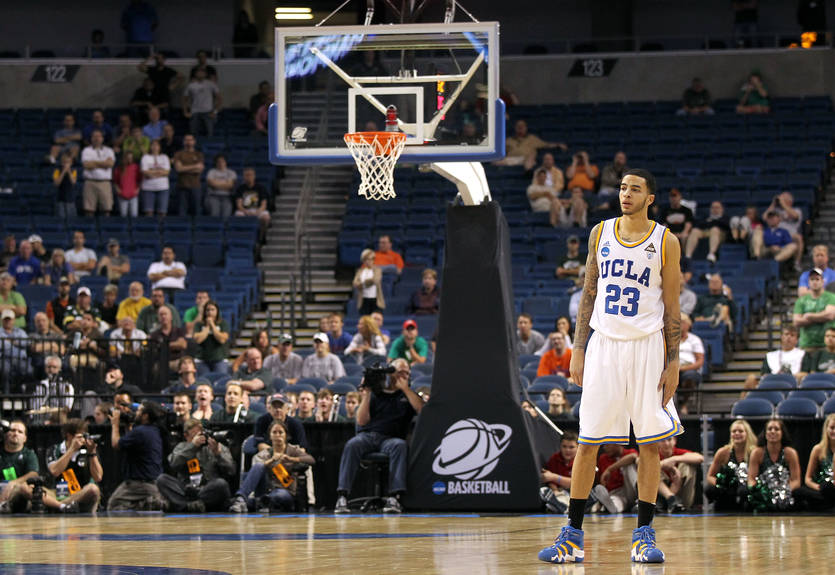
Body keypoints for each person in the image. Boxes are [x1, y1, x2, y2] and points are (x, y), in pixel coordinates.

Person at [538, 169, 681, 565]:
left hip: (648, 347)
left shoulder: (665, 241)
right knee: (588, 442)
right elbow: (589, 294)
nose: (626, 194)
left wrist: (674, 361)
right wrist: (579, 349)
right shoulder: (599, 233)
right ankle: (572, 535)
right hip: (603, 346)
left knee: (649, 443)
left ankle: (644, 535)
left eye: (635, 189)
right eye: (622, 187)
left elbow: (672, 306)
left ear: (650, 198)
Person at [335, 358, 424, 514]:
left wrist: (405, 390)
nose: (404, 376)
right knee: (352, 444)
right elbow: (362, 421)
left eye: (407, 373)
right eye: (400, 372)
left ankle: (394, 497)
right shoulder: (376, 393)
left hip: (391, 438)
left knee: (399, 446)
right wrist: (367, 395)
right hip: (369, 436)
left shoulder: (408, 396)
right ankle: (342, 496)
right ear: (390, 373)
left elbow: (421, 410)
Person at [229, 420, 315, 513]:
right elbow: (256, 471)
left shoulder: (293, 450)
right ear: (270, 436)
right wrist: (272, 460)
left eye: (280, 432)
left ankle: (260, 503)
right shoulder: (264, 454)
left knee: (279, 495)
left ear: (286, 435)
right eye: (274, 432)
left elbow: (311, 460)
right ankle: (241, 498)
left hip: (285, 489)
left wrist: (291, 459)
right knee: (259, 466)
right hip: (265, 490)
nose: (278, 435)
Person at [156, 418, 236, 513]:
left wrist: (218, 454)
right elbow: (173, 463)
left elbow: (232, 471)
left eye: (202, 434)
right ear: (186, 436)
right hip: (187, 490)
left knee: (221, 484)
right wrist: (193, 446)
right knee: (162, 479)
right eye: (196, 435)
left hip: (208, 490)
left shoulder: (216, 446)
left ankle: (184, 506)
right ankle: (191, 506)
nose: (201, 438)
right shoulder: (182, 447)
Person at [107, 401, 168, 511]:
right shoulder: (153, 430)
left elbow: (116, 444)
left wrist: (115, 424)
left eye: (139, 411)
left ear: (145, 416)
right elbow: (131, 444)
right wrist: (128, 426)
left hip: (138, 483)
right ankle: (148, 503)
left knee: (114, 505)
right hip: (153, 483)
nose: (135, 413)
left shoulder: (140, 432)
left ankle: (150, 503)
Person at [45, 418, 103, 513]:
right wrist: (71, 449)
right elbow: (55, 471)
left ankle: (59, 506)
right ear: (69, 436)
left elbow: (98, 477)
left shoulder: (89, 450)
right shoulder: (55, 449)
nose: (84, 439)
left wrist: (92, 453)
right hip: (58, 493)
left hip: (80, 494)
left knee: (93, 489)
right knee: (36, 490)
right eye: (81, 436)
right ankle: (62, 506)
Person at [747, 419, 803, 511]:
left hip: (785, 492)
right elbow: (751, 479)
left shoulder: (790, 453)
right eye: (769, 429)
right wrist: (762, 491)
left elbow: (796, 480)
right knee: (744, 492)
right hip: (764, 492)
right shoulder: (757, 452)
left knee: (801, 493)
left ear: (782, 433)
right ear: (765, 433)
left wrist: (784, 491)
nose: (773, 431)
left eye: (776, 429)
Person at [705, 419, 757, 511]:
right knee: (709, 489)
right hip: (728, 489)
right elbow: (710, 476)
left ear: (747, 434)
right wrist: (720, 485)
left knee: (744, 491)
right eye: (734, 431)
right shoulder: (723, 452)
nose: (737, 433)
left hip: (746, 488)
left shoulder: (754, 452)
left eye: (740, 431)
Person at [743, 325, 806, 394]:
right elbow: (764, 375)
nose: (789, 337)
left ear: (797, 340)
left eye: (792, 335)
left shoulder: (803, 354)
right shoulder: (771, 356)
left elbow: (805, 374)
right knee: (751, 378)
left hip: (794, 385)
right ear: (781, 337)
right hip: (772, 384)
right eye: (786, 334)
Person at [0, 421, 40, 513]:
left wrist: (13, 483)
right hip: (1, 489)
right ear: (6, 434)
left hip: (19, 492)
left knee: (24, 489)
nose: (15, 433)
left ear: (25, 438)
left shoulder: (29, 454)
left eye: (20, 432)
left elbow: (33, 474)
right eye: (13, 430)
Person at [495, 119, 566, 172]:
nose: (520, 128)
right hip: (511, 160)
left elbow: (546, 145)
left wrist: (558, 144)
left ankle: (528, 173)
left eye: (522, 126)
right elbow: (500, 151)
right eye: (518, 126)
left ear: (526, 128)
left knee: (531, 156)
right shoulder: (508, 140)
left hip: (525, 160)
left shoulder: (532, 138)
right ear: (515, 128)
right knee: (495, 161)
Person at [656, 436, 703, 512]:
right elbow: (639, 462)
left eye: (669, 440)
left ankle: (670, 499)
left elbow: (700, 458)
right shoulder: (653, 455)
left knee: (687, 465)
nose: (666, 443)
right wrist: (662, 464)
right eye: (662, 441)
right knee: (652, 469)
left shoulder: (678, 453)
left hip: (682, 497)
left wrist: (673, 459)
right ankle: (670, 498)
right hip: (660, 496)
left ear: (674, 440)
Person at [793, 268, 835, 351]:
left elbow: (830, 315)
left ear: (823, 281)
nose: (814, 282)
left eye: (817, 279)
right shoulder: (801, 301)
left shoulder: (831, 297)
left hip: (827, 345)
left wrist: (809, 316)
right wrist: (821, 316)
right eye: (812, 279)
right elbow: (796, 322)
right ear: (808, 282)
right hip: (807, 344)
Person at [801, 413, 835, 510]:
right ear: (826, 429)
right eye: (832, 428)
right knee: (799, 492)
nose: (834, 431)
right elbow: (807, 479)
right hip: (822, 488)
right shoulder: (818, 449)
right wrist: (819, 488)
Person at [540, 431, 579, 514]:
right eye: (564, 446)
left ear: (578, 447)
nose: (567, 450)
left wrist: (553, 477)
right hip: (561, 493)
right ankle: (563, 506)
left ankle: (563, 507)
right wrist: (555, 491)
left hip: (577, 494)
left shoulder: (582, 462)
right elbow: (549, 480)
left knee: (594, 494)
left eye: (571, 447)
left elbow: (577, 484)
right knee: (547, 492)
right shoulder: (554, 459)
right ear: (560, 446)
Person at [80, 130, 116, 217]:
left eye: (99, 136)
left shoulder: (109, 150)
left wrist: (94, 163)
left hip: (105, 182)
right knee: (89, 210)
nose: (96, 138)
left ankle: (105, 229)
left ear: (102, 138)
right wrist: (103, 163)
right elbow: (86, 165)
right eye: (94, 136)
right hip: (90, 182)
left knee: (107, 209)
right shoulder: (86, 150)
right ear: (91, 138)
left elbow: (110, 164)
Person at [596, 444, 639, 513]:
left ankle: (639, 501)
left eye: (607, 445)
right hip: (617, 493)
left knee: (629, 465)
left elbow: (633, 457)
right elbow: (602, 481)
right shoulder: (603, 458)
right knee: (615, 503)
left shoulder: (629, 452)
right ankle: (610, 507)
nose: (604, 447)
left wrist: (609, 469)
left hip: (631, 489)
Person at [193, 300, 230, 374]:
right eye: (207, 310)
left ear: (217, 311)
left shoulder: (223, 324)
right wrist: (207, 326)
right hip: (202, 360)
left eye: (212, 310)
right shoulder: (199, 324)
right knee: (204, 382)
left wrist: (212, 326)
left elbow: (222, 339)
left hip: (219, 359)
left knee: (220, 380)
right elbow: (198, 340)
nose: (210, 312)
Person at [149, 306, 188, 375]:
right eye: (161, 314)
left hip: (177, 360)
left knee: (183, 365)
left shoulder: (179, 331)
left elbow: (182, 344)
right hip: (161, 362)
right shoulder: (154, 334)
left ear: (171, 317)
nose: (163, 316)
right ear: (158, 317)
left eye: (165, 314)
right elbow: (153, 348)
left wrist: (163, 346)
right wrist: (174, 345)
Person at [173, 134, 205, 217]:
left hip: (195, 186)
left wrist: (184, 168)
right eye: (186, 140)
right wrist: (194, 166)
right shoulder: (178, 154)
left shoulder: (199, 154)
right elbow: (178, 169)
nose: (188, 142)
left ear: (194, 141)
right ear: (183, 142)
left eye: (190, 140)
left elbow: (199, 169)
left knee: (196, 210)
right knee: (182, 212)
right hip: (182, 186)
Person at [677, 313, 704, 414]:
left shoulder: (695, 340)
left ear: (688, 325)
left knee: (690, 377)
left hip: (689, 368)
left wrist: (683, 368)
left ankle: (684, 404)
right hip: (673, 367)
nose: (680, 325)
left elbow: (700, 361)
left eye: (682, 322)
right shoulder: (670, 339)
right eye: (678, 322)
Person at [184, 68, 221, 138]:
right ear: (195, 74)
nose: (200, 74)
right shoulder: (191, 85)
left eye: (202, 72)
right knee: (193, 133)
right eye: (198, 72)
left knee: (209, 133)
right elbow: (184, 99)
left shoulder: (211, 84)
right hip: (195, 112)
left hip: (208, 112)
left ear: (205, 74)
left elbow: (219, 99)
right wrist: (185, 111)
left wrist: (215, 112)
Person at [140, 139, 171, 218]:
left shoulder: (164, 157)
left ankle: (162, 229)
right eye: (153, 145)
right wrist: (160, 172)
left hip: (163, 187)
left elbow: (167, 172)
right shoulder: (145, 157)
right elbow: (144, 172)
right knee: (148, 212)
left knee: (162, 212)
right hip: (148, 188)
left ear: (160, 147)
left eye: (157, 145)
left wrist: (151, 171)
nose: (155, 147)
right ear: (150, 147)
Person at [353, 249, 384, 315]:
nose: (368, 261)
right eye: (365, 260)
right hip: (363, 299)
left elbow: (375, 280)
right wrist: (367, 282)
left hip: (375, 300)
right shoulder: (360, 271)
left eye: (370, 259)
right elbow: (355, 282)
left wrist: (363, 283)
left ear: (373, 260)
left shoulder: (377, 270)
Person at [205, 154, 237, 219]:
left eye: (222, 161)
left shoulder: (231, 172)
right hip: (213, 196)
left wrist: (217, 183)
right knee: (215, 214)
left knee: (226, 215)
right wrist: (225, 183)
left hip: (227, 197)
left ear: (225, 162)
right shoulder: (211, 172)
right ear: (216, 163)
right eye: (218, 162)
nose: (221, 163)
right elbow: (211, 183)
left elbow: (230, 185)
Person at [53, 153, 79, 218]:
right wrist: (64, 171)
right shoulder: (57, 171)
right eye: (65, 162)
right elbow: (57, 183)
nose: (67, 164)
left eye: (68, 162)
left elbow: (73, 182)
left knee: (72, 219)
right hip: (60, 199)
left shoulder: (73, 171)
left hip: (70, 199)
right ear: (62, 163)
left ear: (71, 163)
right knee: (61, 218)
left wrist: (69, 171)